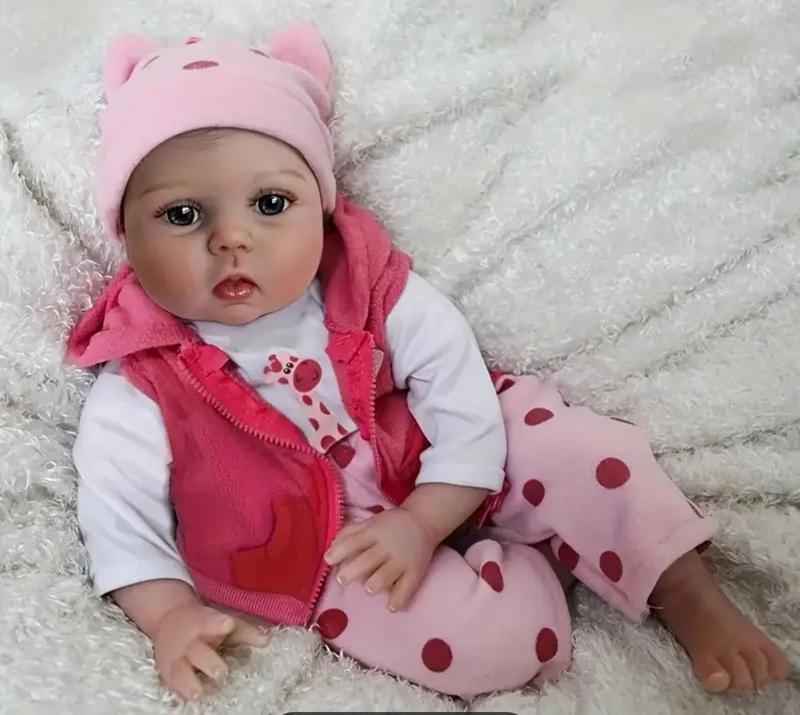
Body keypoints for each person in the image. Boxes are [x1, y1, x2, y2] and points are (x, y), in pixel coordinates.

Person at [68, 23, 789, 703]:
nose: (232, 238)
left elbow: (457, 385)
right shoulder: (139, 380)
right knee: (488, 645)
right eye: (183, 215)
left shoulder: (367, 285)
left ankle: (684, 589)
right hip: (322, 546)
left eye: (271, 202)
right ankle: (540, 569)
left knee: (579, 449)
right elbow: (120, 519)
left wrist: (426, 517)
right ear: (125, 233)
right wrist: (169, 614)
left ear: (321, 208)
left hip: (444, 451)